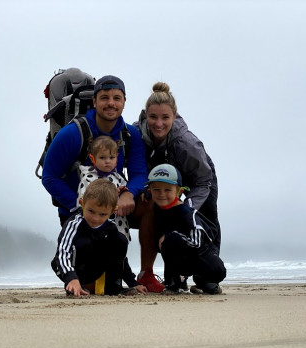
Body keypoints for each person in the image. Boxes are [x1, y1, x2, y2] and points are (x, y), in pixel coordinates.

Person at [134, 82, 222, 294]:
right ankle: (176, 277)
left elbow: (204, 180)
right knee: (165, 226)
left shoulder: (186, 142)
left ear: (174, 116)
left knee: (202, 223)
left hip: (200, 180)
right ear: (146, 116)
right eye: (153, 117)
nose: (158, 123)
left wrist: (187, 205)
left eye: (165, 118)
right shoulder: (137, 134)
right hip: (160, 183)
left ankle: (206, 278)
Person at [42, 75, 148, 227]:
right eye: (104, 97)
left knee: (154, 206)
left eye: (117, 98)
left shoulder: (130, 135)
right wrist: (80, 205)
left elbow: (139, 173)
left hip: (113, 211)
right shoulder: (72, 134)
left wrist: (129, 193)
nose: (111, 103)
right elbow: (49, 176)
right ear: (94, 101)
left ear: (124, 102)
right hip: (76, 212)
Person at [51, 179, 147, 297]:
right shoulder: (74, 224)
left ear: (112, 211)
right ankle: (75, 287)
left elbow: (121, 258)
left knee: (120, 240)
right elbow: (62, 252)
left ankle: (114, 287)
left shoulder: (110, 227)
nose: (95, 218)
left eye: (102, 214)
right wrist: (71, 277)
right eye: (91, 211)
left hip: (93, 269)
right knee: (83, 242)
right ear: (82, 203)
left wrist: (132, 283)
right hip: (66, 269)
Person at [146, 163, 226, 294]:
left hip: (200, 254)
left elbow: (197, 242)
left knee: (217, 271)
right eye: (156, 190)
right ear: (150, 191)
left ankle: (203, 280)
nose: (162, 194)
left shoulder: (186, 213)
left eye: (167, 190)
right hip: (180, 254)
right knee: (169, 241)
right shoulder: (158, 208)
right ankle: (173, 283)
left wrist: (171, 236)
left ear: (179, 191)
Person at [76, 135, 130, 241]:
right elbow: (81, 203)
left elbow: (124, 198)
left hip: (116, 225)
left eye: (111, 157)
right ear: (93, 158)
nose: (107, 161)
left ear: (117, 158)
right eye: (102, 157)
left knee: (117, 247)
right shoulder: (87, 178)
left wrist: (122, 194)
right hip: (94, 223)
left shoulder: (119, 179)